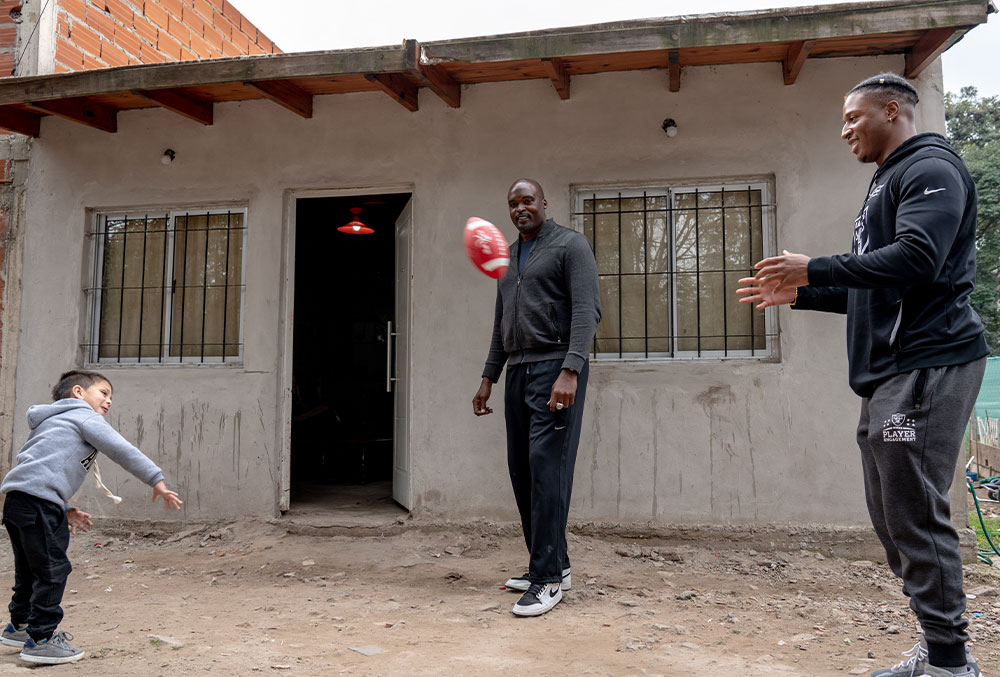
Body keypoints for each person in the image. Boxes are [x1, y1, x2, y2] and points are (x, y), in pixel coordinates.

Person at [737, 73, 987, 677]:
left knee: (915, 513)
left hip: (927, 364)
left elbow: (920, 259)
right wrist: (802, 293)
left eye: (854, 117)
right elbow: (881, 287)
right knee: (892, 513)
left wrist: (814, 265)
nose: (846, 129)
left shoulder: (930, 168)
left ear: (892, 110)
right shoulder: (887, 183)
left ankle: (952, 664)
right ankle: (937, 646)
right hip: (889, 375)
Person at [472, 178, 600, 617]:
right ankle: (550, 563)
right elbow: (500, 322)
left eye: (528, 200)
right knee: (523, 472)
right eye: (513, 203)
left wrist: (570, 370)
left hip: (554, 370)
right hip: (518, 372)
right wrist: (490, 376)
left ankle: (546, 581)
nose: (520, 208)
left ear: (544, 203)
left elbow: (587, 310)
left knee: (548, 472)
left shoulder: (570, 246)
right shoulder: (506, 258)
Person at [0, 370, 183, 664]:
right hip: (38, 502)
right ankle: (42, 639)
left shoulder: (50, 422)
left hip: (19, 500)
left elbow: (40, 469)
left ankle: (19, 627)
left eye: (111, 397)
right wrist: (156, 480)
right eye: (104, 393)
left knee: (31, 568)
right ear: (78, 392)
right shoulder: (84, 416)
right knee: (53, 569)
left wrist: (63, 509)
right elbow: (122, 449)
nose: (109, 401)